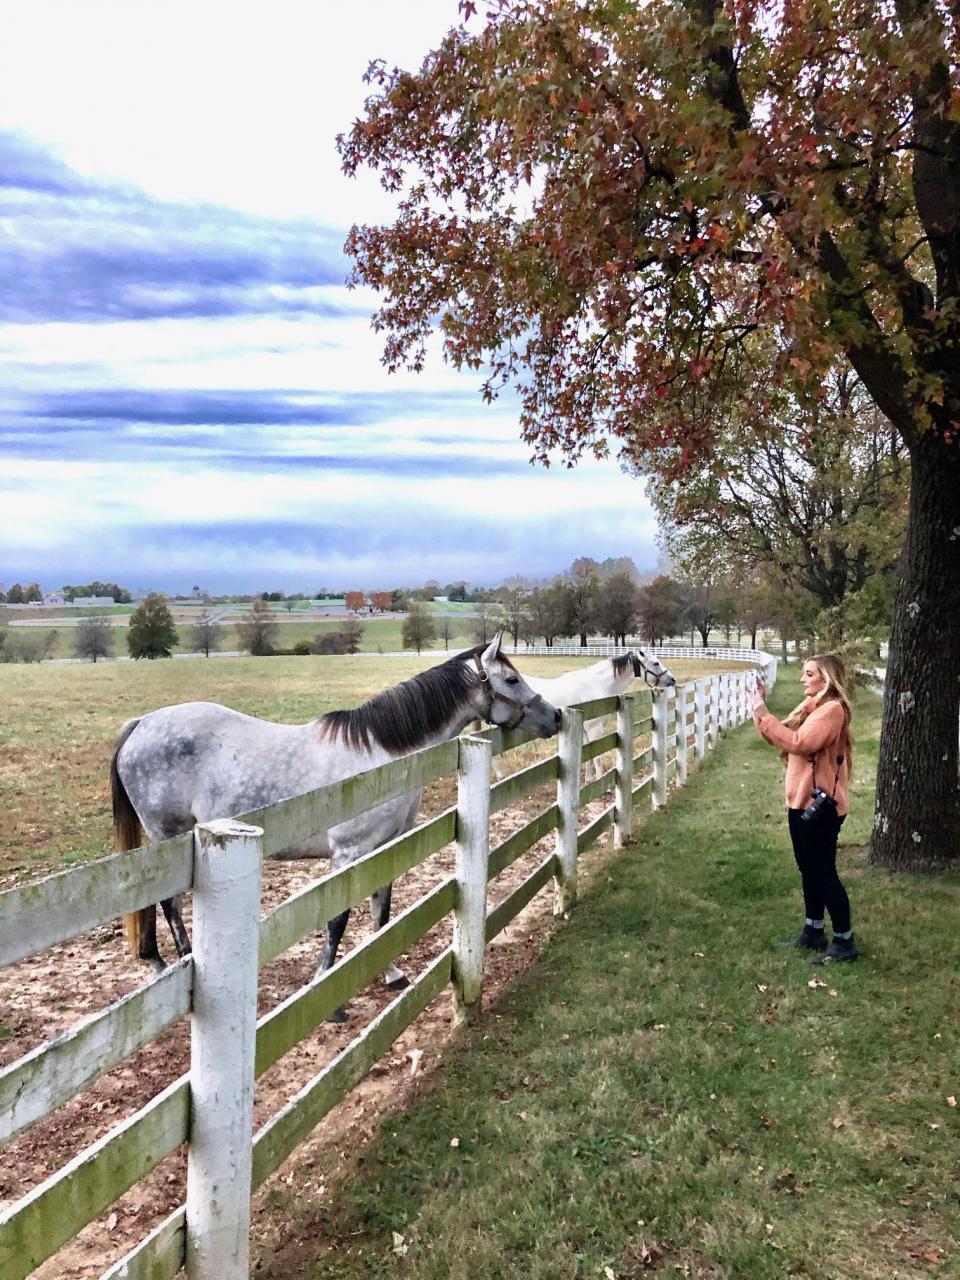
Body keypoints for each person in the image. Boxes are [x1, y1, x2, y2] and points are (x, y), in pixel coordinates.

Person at [748, 655, 858, 963]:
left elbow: (799, 742)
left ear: (826, 678)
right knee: (809, 870)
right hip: (802, 802)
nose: (802, 679)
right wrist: (760, 712)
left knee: (822, 872)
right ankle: (813, 931)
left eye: (808, 673)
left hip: (820, 807)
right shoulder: (814, 709)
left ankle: (844, 941)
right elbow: (781, 738)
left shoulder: (832, 710)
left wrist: (762, 712)